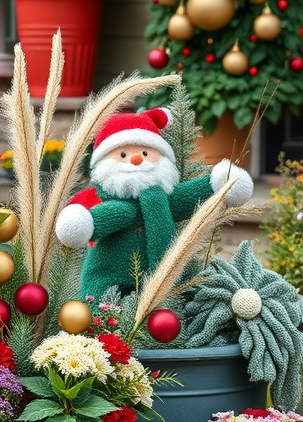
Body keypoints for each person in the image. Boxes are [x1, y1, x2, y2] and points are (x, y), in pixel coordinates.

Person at [55, 108, 253, 299]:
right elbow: (98, 220)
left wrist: (220, 183)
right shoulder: (118, 210)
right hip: (107, 284)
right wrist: (82, 223)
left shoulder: (164, 199)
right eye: (123, 155)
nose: (135, 159)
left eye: (145, 153)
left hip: (158, 290)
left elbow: (191, 195)